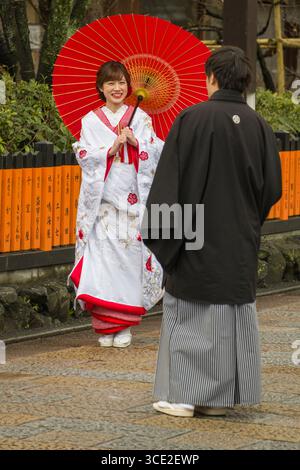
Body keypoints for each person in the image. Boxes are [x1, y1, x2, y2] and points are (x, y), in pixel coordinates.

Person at [143, 46, 282, 417]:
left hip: (194, 232)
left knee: (191, 312)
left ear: (212, 78)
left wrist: (169, 240)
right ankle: (219, 399)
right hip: (239, 235)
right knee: (230, 315)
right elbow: (272, 189)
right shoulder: (259, 125)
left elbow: (170, 184)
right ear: (245, 82)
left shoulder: (192, 119)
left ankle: (184, 396)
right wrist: (248, 221)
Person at [69, 61, 164, 348]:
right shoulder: (90, 121)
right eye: (110, 83)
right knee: (101, 264)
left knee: (127, 262)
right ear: (101, 87)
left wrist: (138, 144)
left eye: (122, 82)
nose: (117, 88)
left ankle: (124, 325)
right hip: (104, 204)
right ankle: (104, 325)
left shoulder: (141, 118)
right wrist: (110, 148)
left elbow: (157, 151)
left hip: (133, 202)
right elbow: (84, 154)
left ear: (129, 87)